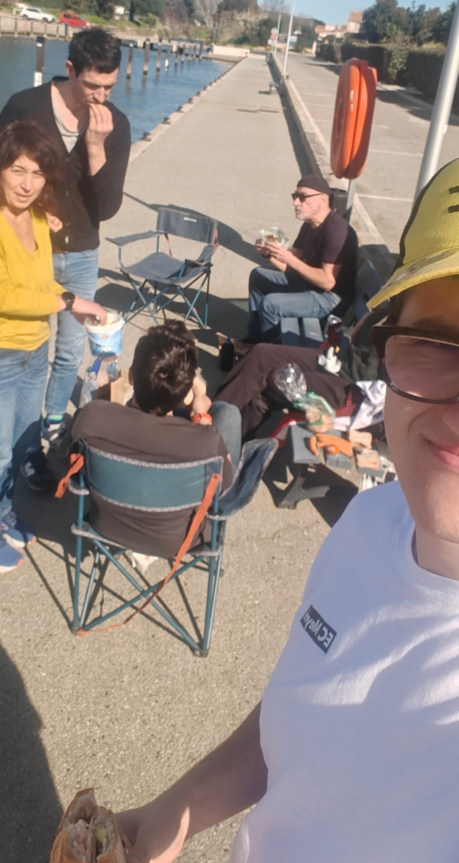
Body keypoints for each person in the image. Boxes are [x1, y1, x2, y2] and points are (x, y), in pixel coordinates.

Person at [116, 158, 459, 862]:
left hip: (327, 369)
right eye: (434, 343)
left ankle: (214, 430)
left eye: (307, 194)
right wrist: (171, 811)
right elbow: (307, 719)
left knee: (267, 362)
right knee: (264, 349)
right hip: (325, 364)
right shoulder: (369, 525)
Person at [0, 28, 131, 455]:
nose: (101, 96)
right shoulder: (25, 106)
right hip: (29, 248)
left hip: (82, 250)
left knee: (70, 350)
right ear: (70, 69)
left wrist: (96, 148)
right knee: (25, 341)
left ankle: (52, 423)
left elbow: (107, 207)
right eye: (92, 85)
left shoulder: (116, 124)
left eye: (109, 87)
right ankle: (13, 432)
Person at [0, 121, 106, 575]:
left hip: (33, 351)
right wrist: (69, 302)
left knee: (23, 442)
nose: (27, 184)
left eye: (37, 173)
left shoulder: (39, 219)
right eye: (17, 170)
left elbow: (43, 282)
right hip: (3, 355)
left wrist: (73, 304)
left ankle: (5, 512)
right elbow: (6, 295)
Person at [60, 321, 241, 559]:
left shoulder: (91, 417)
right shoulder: (205, 441)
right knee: (228, 413)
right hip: (182, 540)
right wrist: (201, 415)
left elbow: (68, 461)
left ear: (131, 375)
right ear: (186, 392)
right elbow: (224, 487)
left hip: (106, 526)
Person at [216, 307, 385, 439]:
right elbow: (356, 332)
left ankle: (223, 442)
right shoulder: (391, 308)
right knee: (261, 353)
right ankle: (212, 418)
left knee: (275, 383)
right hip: (337, 362)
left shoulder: (400, 332)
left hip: (354, 389)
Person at [246, 174, 357, 342]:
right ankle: (253, 339)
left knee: (271, 304)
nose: (296, 203)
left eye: (303, 197)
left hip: (330, 298)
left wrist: (290, 259)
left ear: (323, 199)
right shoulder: (309, 224)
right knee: (258, 275)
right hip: (309, 284)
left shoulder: (337, 231)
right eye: (295, 196)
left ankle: (270, 350)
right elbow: (290, 267)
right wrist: (269, 253)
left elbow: (328, 282)